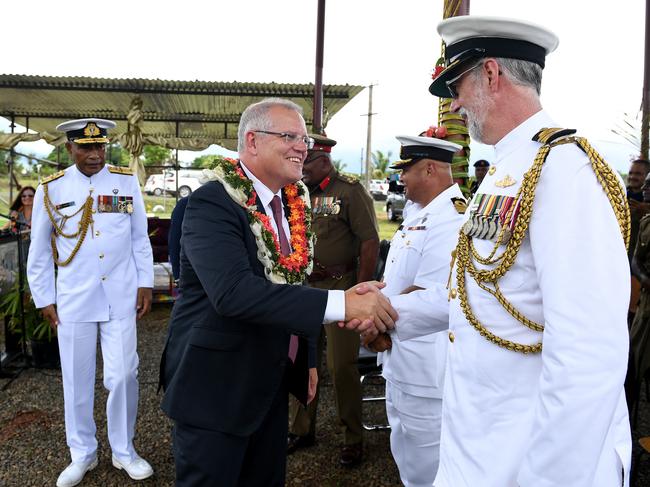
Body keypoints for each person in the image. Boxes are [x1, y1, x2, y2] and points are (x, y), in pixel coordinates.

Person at [346, 16, 631, 487]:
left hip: (532, 455)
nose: (454, 103)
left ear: (493, 75)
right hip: (480, 442)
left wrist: (549, 477)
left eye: (456, 86)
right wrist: (388, 310)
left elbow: (588, 353)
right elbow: (476, 294)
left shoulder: (565, 170)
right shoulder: (506, 170)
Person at [159, 98, 396, 487]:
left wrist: (307, 360)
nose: (303, 147)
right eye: (290, 136)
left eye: (303, 138)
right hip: (216, 391)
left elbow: (292, 283)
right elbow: (233, 292)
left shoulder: (288, 204)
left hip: (269, 384)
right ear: (252, 141)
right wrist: (343, 303)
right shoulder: (210, 203)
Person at [27, 118, 155, 487]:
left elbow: (138, 239)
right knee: (76, 380)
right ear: (69, 148)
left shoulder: (125, 182)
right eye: (85, 147)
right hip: (74, 299)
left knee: (123, 374)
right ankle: (82, 453)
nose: (95, 154)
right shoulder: (51, 189)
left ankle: (123, 450)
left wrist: (145, 282)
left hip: (119, 295)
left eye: (100, 147)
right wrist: (44, 298)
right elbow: (38, 252)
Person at [366, 134, 464, 487]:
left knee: (430, 468)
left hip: (427, 370)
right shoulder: (418, 212)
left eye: (406, 170)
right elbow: (397, 282)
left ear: (429, 168)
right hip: (400, 360)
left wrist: (373, 321)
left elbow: (430, 292)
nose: (401, 178)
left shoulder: (451, 219)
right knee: (407, 457)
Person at [288, 133, 379, 466]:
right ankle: (301, 428)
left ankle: (352, 436)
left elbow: (369, 242)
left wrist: (363, 288)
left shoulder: (349, 191)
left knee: (340, 366)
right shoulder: (296, 193)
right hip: (305, 289)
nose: (301, 169)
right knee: (300, 361)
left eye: (305, 162)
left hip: (340, 287)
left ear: (323, 160)